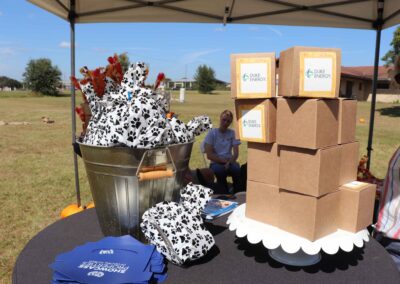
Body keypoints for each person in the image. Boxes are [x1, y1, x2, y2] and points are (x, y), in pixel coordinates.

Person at [203, 110, 242, 194]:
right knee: (220, 171)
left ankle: (238, 194)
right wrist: (224, 162)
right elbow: (209, 155)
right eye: (224, 120)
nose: (225, 122)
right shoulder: (212, 133)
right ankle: (224, 193)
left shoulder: (233, 133)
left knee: (237, 170)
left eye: (228, 121)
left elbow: (235, 154)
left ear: (230, 122)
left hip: (230, 161)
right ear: (220, 118)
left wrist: (229, 162)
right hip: (216, 162)